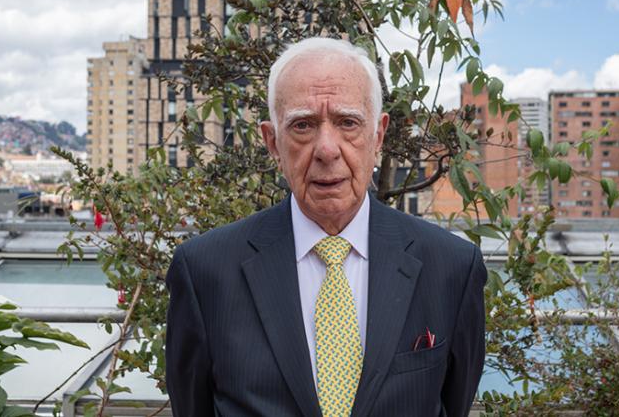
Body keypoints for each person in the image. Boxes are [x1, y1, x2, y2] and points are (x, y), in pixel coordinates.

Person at [166, 37, 487, 417]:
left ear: (378, 135)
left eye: (348, 123)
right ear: (273, 143)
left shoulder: (450, 267)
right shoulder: (205, 271)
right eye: (302, 125)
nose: (327, 149)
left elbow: (454, 401)